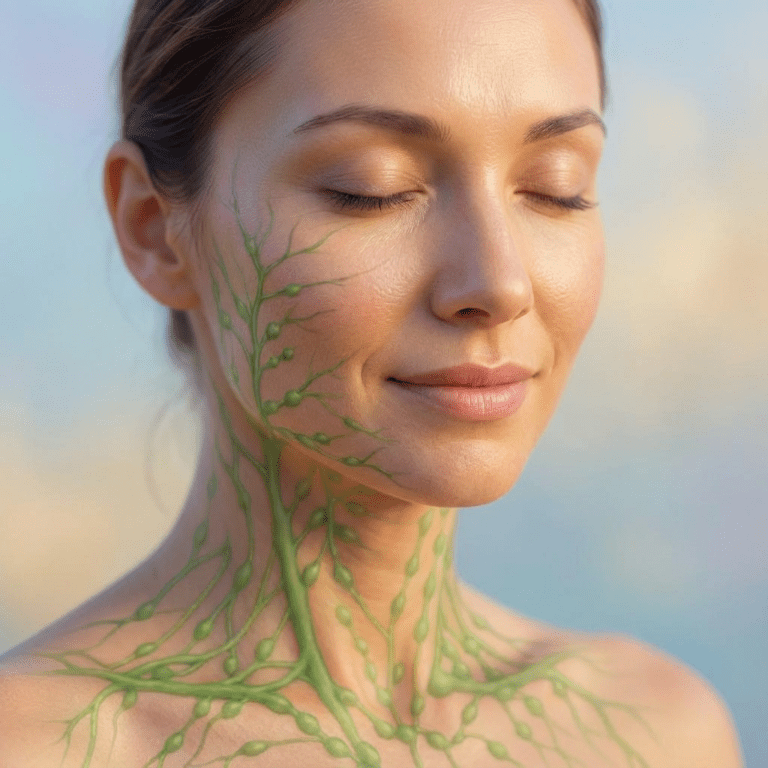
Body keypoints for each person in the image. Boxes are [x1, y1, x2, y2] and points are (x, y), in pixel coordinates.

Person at [0, 0, 744, 765]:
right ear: (153, 227)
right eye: (371, 187)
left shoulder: (656, 732)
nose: (497, 282)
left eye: (556, 188)